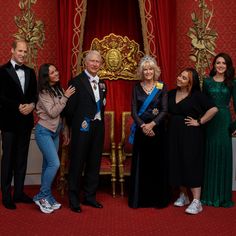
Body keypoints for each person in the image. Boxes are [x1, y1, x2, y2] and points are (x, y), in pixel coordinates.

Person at [168, 68, 218, 214]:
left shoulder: (197, 96)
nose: (179, 78)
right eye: (179, 75)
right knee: (177, 162)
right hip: (173, 134)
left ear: (190, 82)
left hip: (191, 134)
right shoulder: (171, 93)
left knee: (191, 163)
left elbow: (214, 109)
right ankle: (184, 195)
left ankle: (197, 201)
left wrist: (199, 121)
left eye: (183, 78)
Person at [65, 50, 107, 213]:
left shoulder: (103, 83)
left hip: (98, 128)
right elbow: (69, 109)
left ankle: (90, 196)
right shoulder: (76, 81)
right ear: (85, 63)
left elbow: (102, 105)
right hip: (82, 127)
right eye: (92, 61)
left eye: (98, 61)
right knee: (77, 163)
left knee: (94, 162)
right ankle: (74, 199)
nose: (95, 64)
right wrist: (73, 126)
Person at [128, 55, 170, 209]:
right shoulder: (136, 87)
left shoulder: (161, 86)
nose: (147, 72)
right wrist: (143, 126)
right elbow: (133, 110)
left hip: (158, 130)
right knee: (142, 164)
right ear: (141, 71)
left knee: (156, 163)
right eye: (145, 69)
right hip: (141, 130)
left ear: (155, 70)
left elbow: (165, 109)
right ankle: (140, 200)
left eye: (150, 69)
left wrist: (152, 124)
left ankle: (157, 199)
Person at [33, 63, 75, 214]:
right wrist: (65, 97)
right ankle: (42, 196)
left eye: (56, 70)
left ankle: (48, 196)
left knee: (47, 166)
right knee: (54, 163)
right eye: (52, 72)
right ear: (46, 76)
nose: (56, 73)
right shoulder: (43, 93)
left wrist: (65, 132)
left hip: (55, 132)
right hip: (43, 132)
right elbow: (52, 112)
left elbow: (62, 115)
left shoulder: (58, 89)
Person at [0, 39, 37, 209]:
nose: (23, 54)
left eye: (25, 51)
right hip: (9, 123)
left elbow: (34, 96)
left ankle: (20, 193)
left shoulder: (31, 72)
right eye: (20, 51)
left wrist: (32, 105)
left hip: (26, 122)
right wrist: (17, 106)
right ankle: (7, 195)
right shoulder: (2, 71)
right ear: (12, 50)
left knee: (22, 159)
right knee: (8, 159)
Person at [201, 53, 236, 207]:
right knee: (210, 154)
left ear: (227, 66)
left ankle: (222, 197)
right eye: (218, 63)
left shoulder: (232, 83)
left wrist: (234, 126)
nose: (220, 65)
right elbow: (202, 104)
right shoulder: (207, 83)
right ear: (214, 65)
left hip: (224, 121)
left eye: (223, 63)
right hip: (209, 121)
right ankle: (208, 195)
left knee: (222, 155)